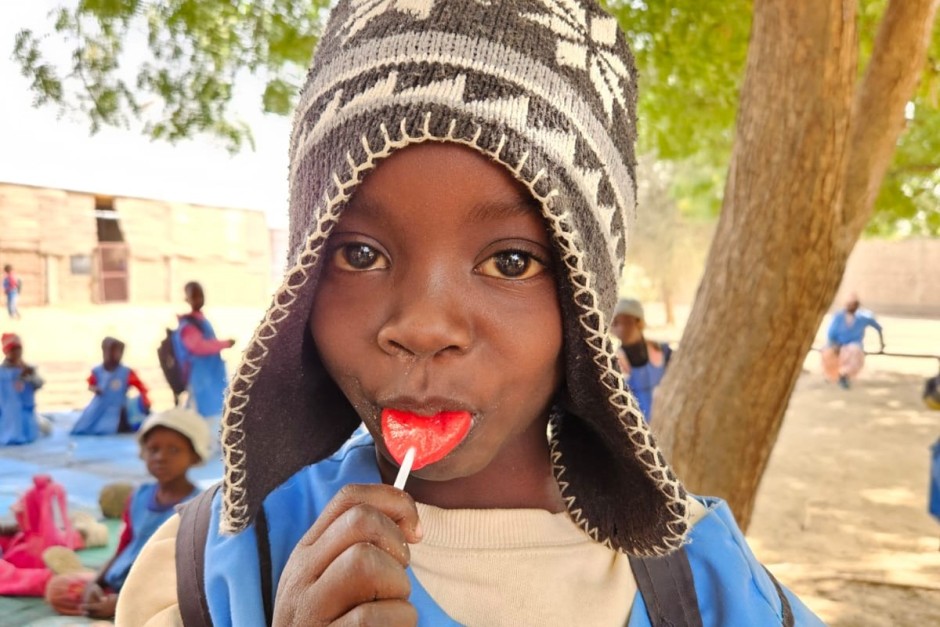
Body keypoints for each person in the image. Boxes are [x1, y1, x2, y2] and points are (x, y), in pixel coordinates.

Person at [118, 2, 822, 625]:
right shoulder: (226, 566)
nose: (422, 325)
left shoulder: (708, 583)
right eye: (359, 254)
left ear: (584, 301)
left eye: (510, 261)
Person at [45, 407, 207, 619]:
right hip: (117, 583)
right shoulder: (139, 496)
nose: (161, 458)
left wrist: (125, 602)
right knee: (59, 589)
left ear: (195, 456)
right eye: (153, 449)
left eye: (174, 450)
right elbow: (124, 546)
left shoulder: (198, 508)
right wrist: (96, 582)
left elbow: (188, 576)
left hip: (159, 592)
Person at [172, 281, 235, 421]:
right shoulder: (186, 325)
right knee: (199, 416)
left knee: (215, 413)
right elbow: (199, 347)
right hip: (199, 378)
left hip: (212, 376)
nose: (198, 299)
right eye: (194, 296)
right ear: (186, 299)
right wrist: (225, 343)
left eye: (200, 295)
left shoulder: (201, 320)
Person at [71, 337, 152, 435]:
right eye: (112, 351)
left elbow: (142, 388)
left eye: (119, 352)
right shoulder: (97, 371)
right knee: (85, 425)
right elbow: (90, 384)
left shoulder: (126, 372)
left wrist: (145, 401)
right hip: (99, 406)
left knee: (119, 425)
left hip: (119, 408)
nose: (116, 355)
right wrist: (95, 389)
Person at [612, 298, 672, 422]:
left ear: (639, 323)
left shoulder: (662, 351)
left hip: (667, 420)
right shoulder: (614, 362)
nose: (620, 327)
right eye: (615, 322)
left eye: (626, 321)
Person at [821, 294, 884, 389]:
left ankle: (844, 376)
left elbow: (878, 328)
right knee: (827, 352)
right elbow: (831, 333)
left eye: (854, 305)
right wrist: (834, 344)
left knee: (853, 351)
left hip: (854, 345)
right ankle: (832, 375)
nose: (851, 307)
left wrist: (881, 345)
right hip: (837, 344)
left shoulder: (863, 317)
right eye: (849, 304)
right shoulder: (839, 316)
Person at [0, 333, 43, 445]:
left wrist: (28, 376)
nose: (17, 353)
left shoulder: (28, 368)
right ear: (7, 352)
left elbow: (39, 384)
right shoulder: (2, 371)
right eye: (13, 349)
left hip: (25, 412)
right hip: (7, 413)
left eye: (19, 349)